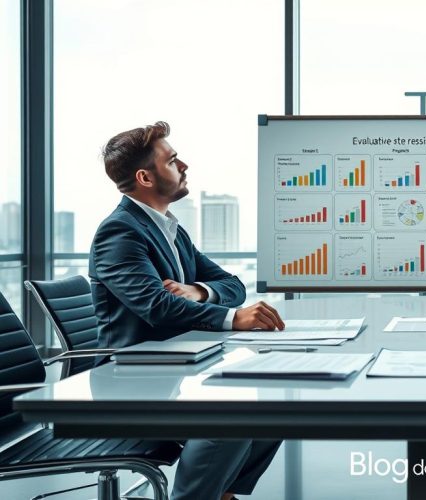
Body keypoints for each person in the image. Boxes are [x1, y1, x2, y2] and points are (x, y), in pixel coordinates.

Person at [89, 121, 284, 500]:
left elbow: (232, 285)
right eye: (173, 160)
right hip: (131, 384)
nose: (185, 166)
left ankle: (222, 494)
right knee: (229, 414)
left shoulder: (171, 231)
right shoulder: (119, 232)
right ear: (146, 177)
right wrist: (233, 317)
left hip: (176, 368)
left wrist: (196, 291)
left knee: (271, 402)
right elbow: (158, 307)